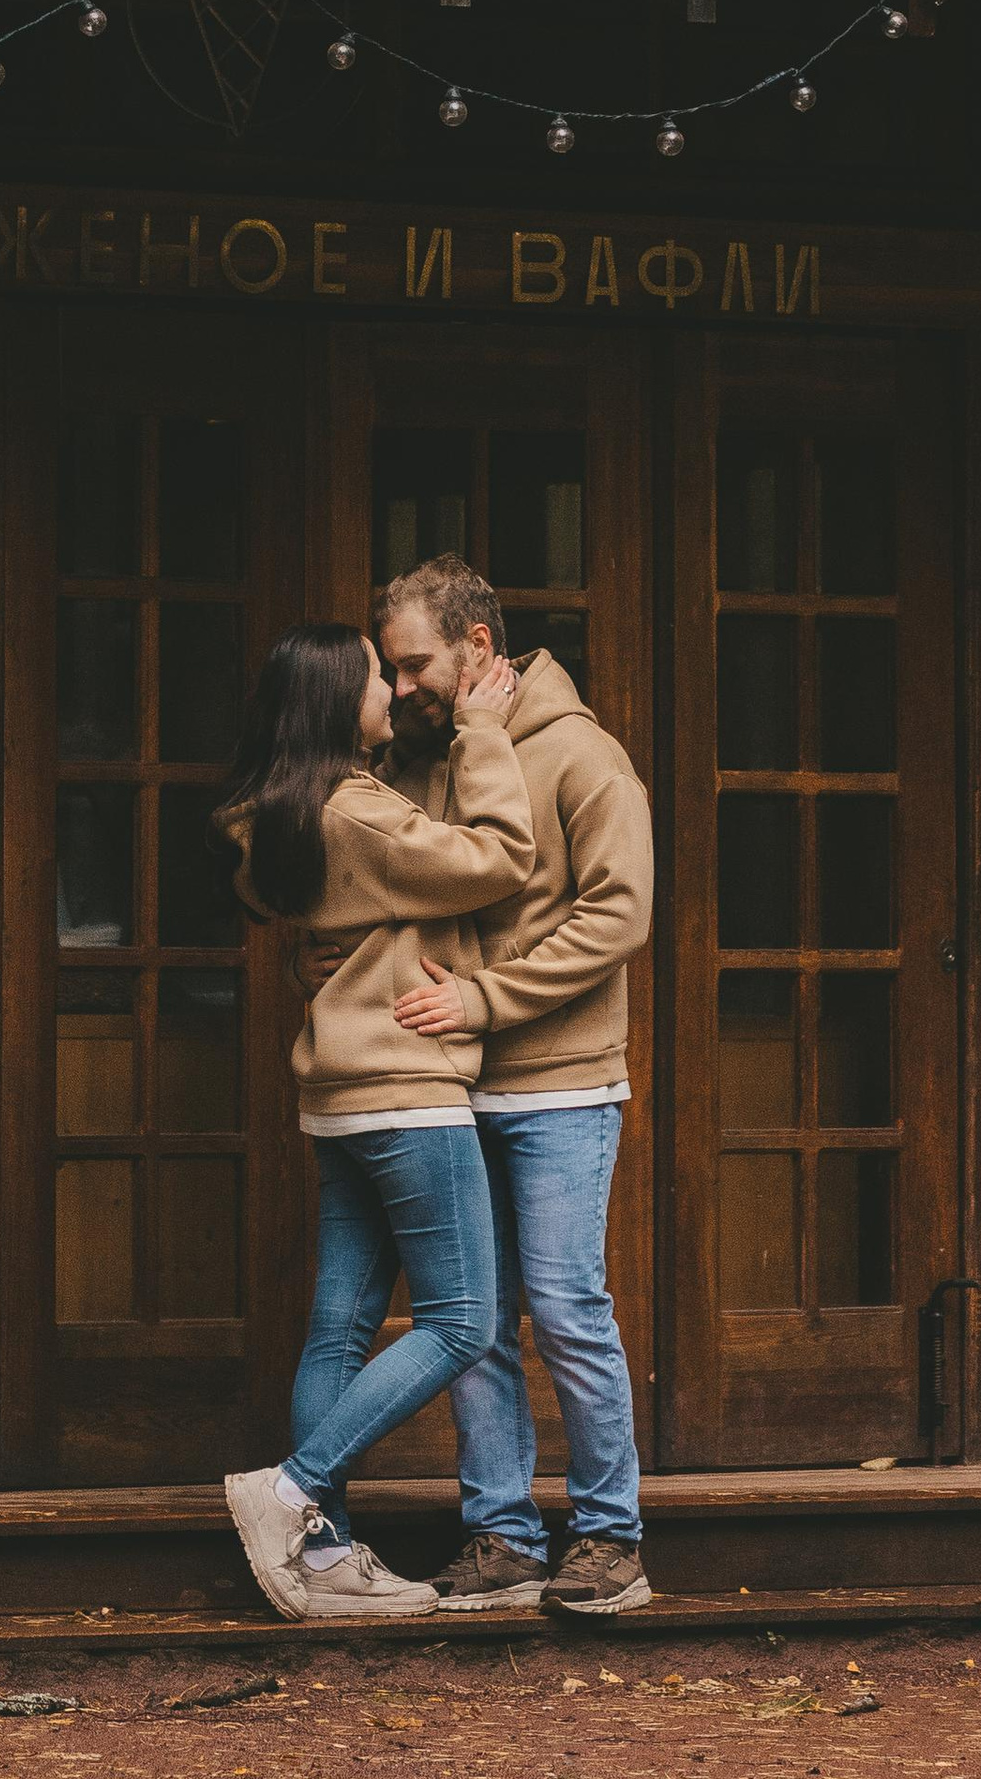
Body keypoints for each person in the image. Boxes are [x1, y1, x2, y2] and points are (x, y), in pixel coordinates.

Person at [215, 619, 533, 1623]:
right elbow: (499, 860)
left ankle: (325, 1556)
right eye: (371, 676)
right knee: (463, 1318)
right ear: (331, 701)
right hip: (407, 1089)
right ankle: (294, 1492)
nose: (391, 690)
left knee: (340, 1326)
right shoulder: (366, 817)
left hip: (339, 1096)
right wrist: (480, 733)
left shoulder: (287, 811)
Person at [373, 556, 656, 1618]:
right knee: (474, 1322)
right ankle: (500, 1539)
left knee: (569, 1308)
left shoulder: (583, 755)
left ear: (478, 647)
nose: (401, 687)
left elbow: (618, 916)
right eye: (392, 671)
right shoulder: (427, 759)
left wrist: (487, 1001)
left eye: (415, 666)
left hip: (561, 1090)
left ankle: (611, 1541)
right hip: (445, 1089)